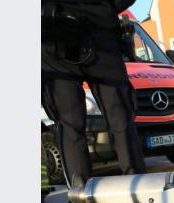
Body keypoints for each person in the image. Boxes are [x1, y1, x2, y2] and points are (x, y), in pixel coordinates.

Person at [41, 0, 145, 191]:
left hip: (62, 32)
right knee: (117, 116)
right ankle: (135, 186)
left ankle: (85, 195)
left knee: (74, 122)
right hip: (81, 32)